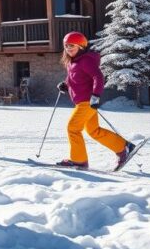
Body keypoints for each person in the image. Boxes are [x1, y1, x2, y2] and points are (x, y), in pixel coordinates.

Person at [56, 32, 136, 170]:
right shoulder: (73, 62)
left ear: (81, 46)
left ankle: (79, 160)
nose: (68, 48)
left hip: (87, 102)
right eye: (66, 45)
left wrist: (96, 95)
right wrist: (65, 84)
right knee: (94, 131)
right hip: (82, 102)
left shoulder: (85, 60)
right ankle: (123, 147)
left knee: (73, 128)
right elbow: (75, 78)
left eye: (72, 45)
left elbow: (98, 77)